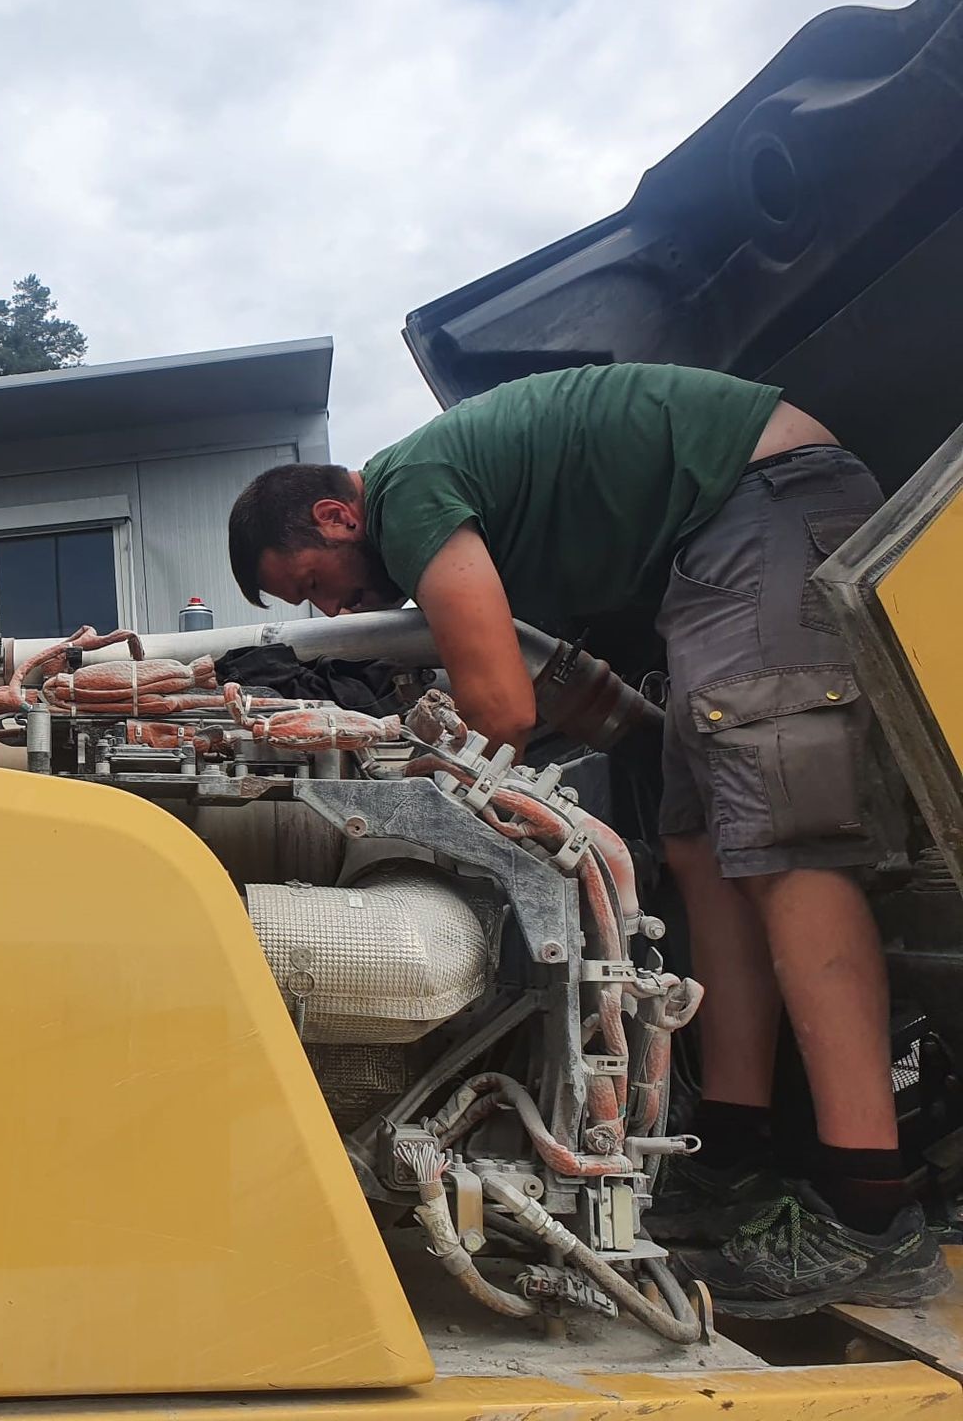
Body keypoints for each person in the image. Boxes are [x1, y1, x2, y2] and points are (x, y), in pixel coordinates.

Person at [226, 362, 947, 1317]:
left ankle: (870, 1212)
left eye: (316, 584)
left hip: (763, 501)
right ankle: (729, 1159)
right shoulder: (442, 500)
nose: (331, 612)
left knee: (787, 847)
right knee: (699, 852)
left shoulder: (406, 492)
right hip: (709, 551)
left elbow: (501, 710)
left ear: (335, 517)